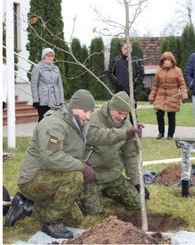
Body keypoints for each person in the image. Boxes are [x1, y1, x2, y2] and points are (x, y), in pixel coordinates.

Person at [12, 89, 142, 239]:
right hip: (34, 179)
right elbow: (51, 157)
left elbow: (99, 136)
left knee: (75, 219)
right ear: (74, 106)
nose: (88, 116)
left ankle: (28, 206)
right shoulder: (54, 124)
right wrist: (83, 167)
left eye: (90, 111)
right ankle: (51, 223)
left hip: (54, 176)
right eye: (85, 111)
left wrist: (126, 133)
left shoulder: (78, 123)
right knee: (75, 177)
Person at [78, 91, 148, 215]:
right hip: (92, 176)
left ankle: (106, 191)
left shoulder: (127, 125)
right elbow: (95, 137)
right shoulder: (93, 118)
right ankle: (83, 193)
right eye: (119, 113)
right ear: (111, 107)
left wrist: (137, 182)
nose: (121, 117)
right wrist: (125, 133)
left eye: (125, 115)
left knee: (137, 204)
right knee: (93, 212)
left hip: (112, 175)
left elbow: (130, 156)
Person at [148, 52, 188, 140]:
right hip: (160, 96)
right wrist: (152, 96)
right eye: (165, 60)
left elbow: (182, 84)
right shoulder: (159, 71)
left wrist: (184, 95)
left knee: (171, 117)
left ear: (172, 61)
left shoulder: (178, 71)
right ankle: (161, 132)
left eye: (168, 60)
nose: (166, 62)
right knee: (159, 115)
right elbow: (155, 86)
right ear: (162, 61)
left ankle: (170, 135)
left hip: (172, 97)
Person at [31, 48, 64, 122]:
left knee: (55, 121)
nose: (50, 57)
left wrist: (61, 100)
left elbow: (60, 85)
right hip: (43, 100)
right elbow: (34, 85)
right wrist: (36, 100)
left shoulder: (56, 68)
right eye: (48, 55)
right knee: (43, 120)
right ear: (43, 56)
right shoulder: (37, 68)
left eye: (52, 56)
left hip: (55, 100)